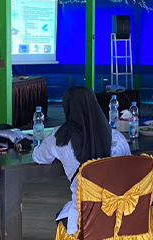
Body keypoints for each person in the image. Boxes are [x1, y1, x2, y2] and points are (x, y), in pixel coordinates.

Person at [33, 87, 130, 235]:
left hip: (86, 218)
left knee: (61, 216)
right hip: (123, 214)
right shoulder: (117, 137)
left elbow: (38, 157)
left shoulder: (61, 137)